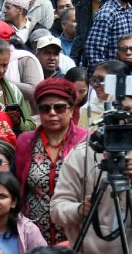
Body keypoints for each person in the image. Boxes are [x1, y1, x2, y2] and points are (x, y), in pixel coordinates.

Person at [51, 89, 132, 254]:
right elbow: (57, 210)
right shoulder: (82, 155)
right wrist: (80, 210)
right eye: (121, 110)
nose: (127, 118)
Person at [16, 78, 88, 243]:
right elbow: (17, 186)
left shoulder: (86, 141)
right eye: (45, 108)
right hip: (33, 237)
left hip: (76, 237)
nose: (52, 113)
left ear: (71, 110)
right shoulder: (25, 142)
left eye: (60, 107)